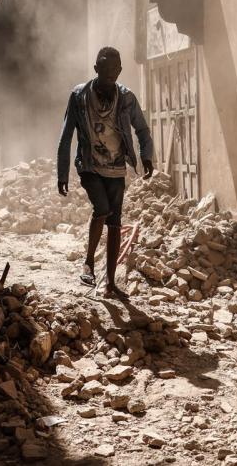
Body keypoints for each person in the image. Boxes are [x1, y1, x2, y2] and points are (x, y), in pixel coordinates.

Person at [57, 47, 154, 299]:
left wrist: (146, 156)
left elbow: (142, 129)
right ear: (96, 68)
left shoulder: (127, 98)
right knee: (102, 208)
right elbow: (66, 136)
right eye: (105, 67)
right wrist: (62, 172)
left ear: (120, 70)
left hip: (116, 167)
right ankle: (89, 263)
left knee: (115, 222)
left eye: (115, 68)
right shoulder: (79, 96)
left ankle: (111, 282)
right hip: (89, 165)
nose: (111, 72)